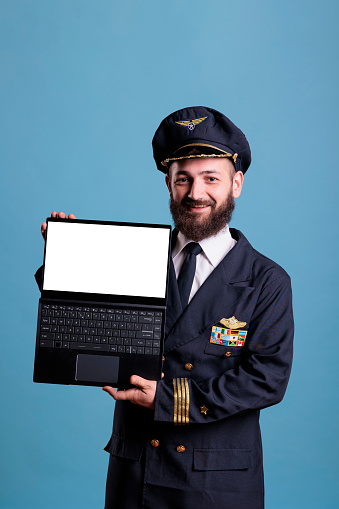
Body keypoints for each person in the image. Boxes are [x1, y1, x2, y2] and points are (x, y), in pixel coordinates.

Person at [39, 106, 293, 509]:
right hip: (136, 468)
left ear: (237, 183)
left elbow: (267, 380)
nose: (196, 193)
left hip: (215, 482)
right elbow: (89, 324)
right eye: (183, 179)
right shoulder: (131, 259)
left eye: (211, 178)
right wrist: (66, 257)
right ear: (168, 184)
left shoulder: (266, 280)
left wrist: (166, 400)